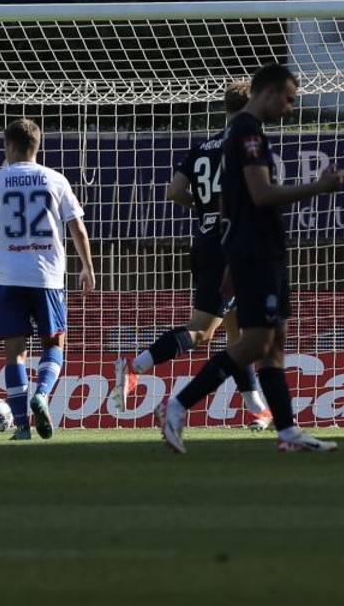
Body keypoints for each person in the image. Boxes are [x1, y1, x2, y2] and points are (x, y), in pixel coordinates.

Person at [157, 62, 344, 453]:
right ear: (269, 92)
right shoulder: (247, 133)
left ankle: (287, 432)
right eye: (289, 100)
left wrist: (229, 254)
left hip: (258, 250)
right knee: (255, 342)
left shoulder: (239, 132)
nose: (290, 108)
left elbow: (228, 200)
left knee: (274, 342)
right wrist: (319, 186)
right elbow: (261, 194)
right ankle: (178, 405)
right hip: (257, 252)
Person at [109, 81, 272, 429]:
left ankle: (258, 410)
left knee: (238, 332)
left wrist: (205, 210)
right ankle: (135, 365)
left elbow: (174, 191)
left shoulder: (202, 147)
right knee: (202, 331)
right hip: (231, 247)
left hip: (205, 241)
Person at [0, 118, 96, 441]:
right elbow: (77, 227)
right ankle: (42, 394)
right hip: (47, 277)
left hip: (8, 278)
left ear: (10, 145)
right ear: (37, 146)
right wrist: (87, 267)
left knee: (15, 352)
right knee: (54, 344)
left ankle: (22, 428)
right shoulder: (56, 179)